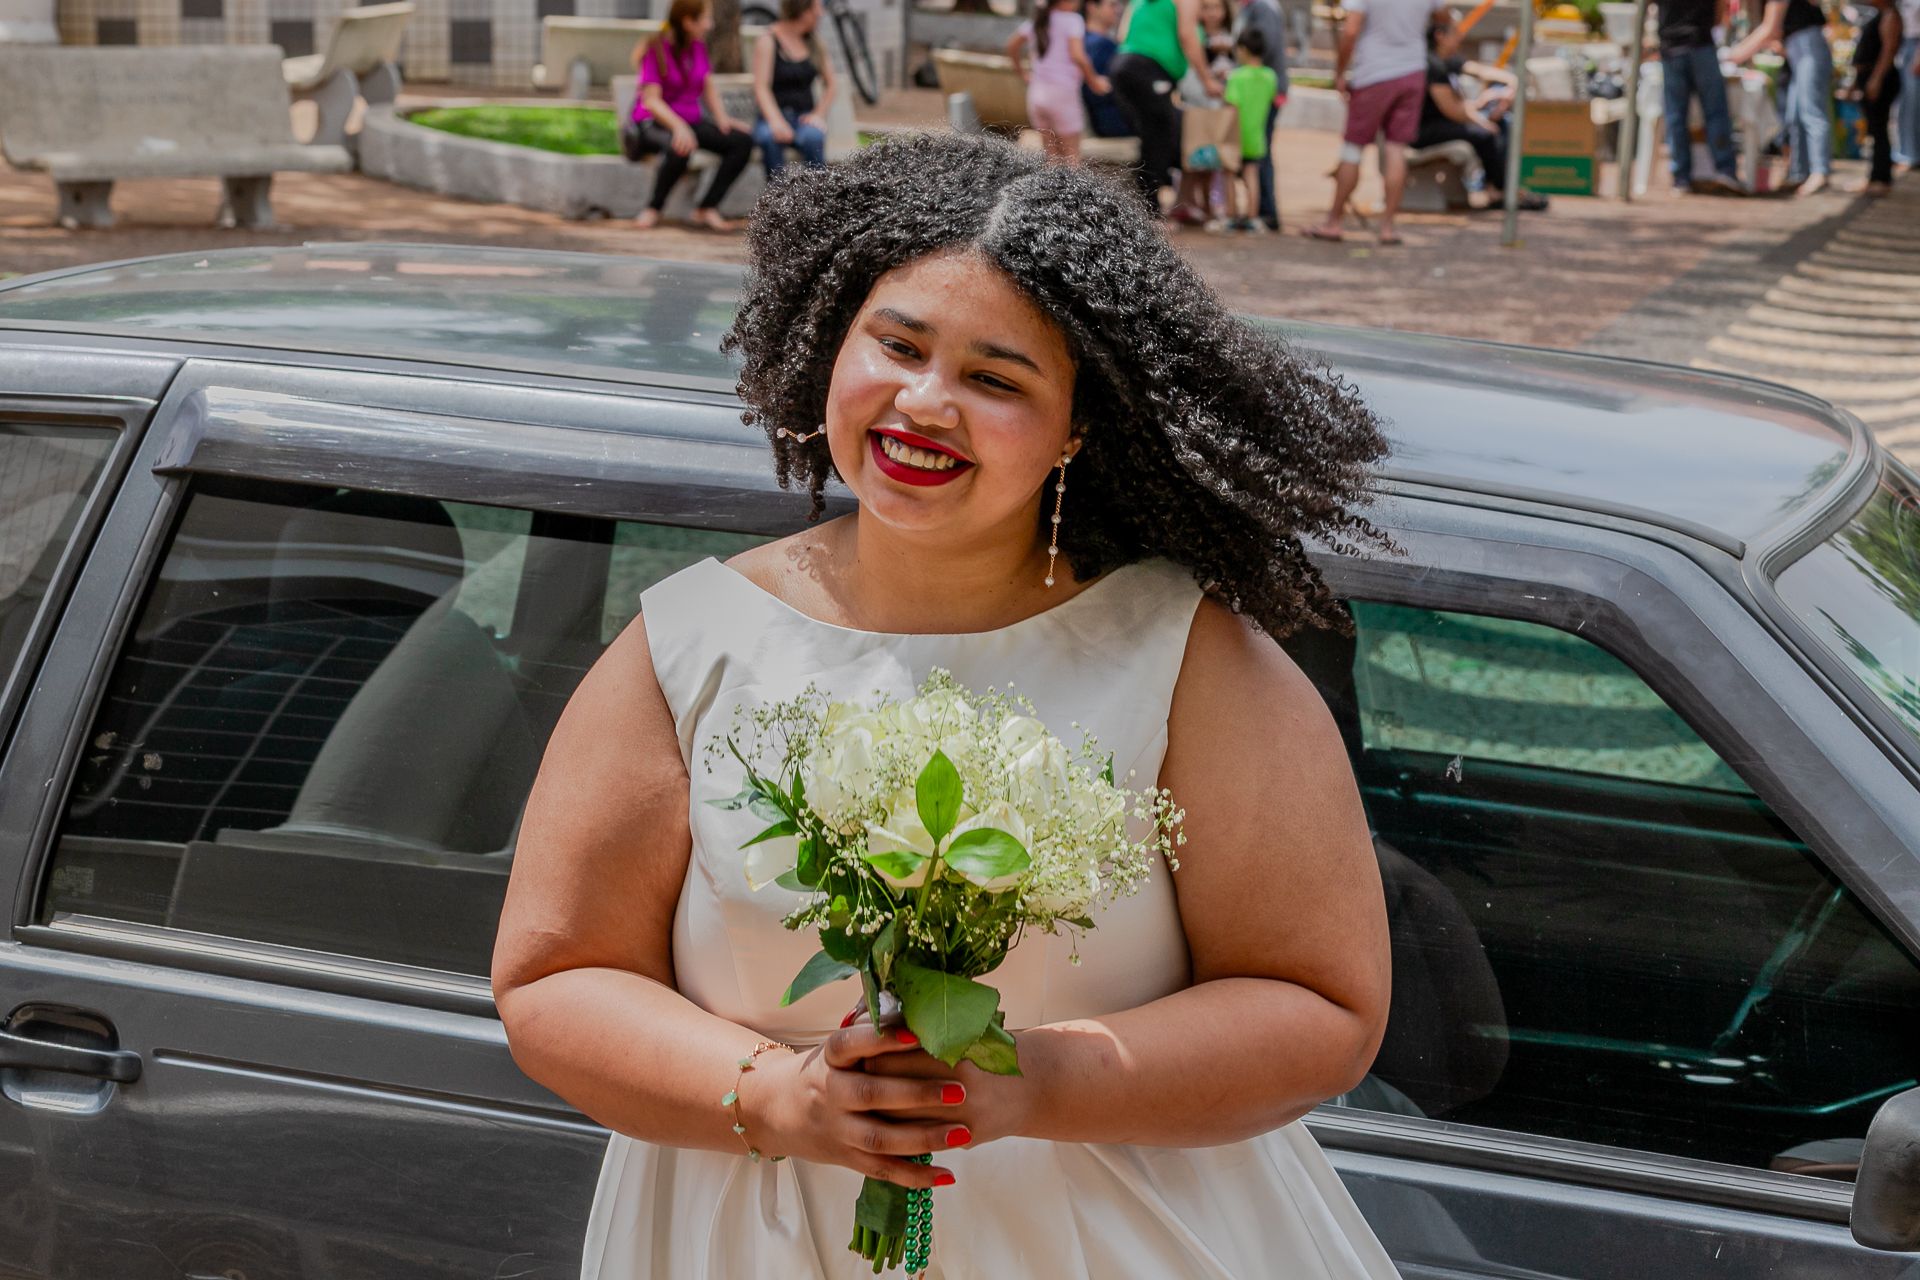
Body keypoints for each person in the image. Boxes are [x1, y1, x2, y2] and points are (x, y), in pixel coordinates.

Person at [493, 131, 1401, 1280]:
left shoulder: (1189, 660)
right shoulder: (687, 645)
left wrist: (1026, 1079)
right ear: (833, 342)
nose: (926, 402)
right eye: (899, 345)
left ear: (1077, 425)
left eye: (995, 378)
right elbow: (553, 978)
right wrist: (780, 1097)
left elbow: (1323, 1004)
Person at [1305, 0, 1452, 245]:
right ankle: (1388, 227)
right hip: (1412, 71)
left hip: (1373, 73)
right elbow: (1444, 15)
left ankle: (1333, 222)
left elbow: (1350, 31)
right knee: (1396, 149)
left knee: (1353, 148)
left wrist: (1339, 72)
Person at [628, 0, 755, 231]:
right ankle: (653, 208)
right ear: (688, 21)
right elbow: (652, 101)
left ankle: (706, 207)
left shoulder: (697, 47)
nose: (710, 24)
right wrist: (678, 126)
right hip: (654, 123)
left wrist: (723, 119)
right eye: (706, 18)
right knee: (681, 145)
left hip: (689, 122)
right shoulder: (655, 49)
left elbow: (707, 87)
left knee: (741, 142)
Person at [1414, 19, 1549, 209]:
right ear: (1440, 36)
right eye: (1455, 32)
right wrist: (1481, 117)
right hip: (1423, 130)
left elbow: (1480, 71)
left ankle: (1501, 187)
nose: (1460, 36)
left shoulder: (1449, 60)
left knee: (1500, 122)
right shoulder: (1432, 65)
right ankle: (1499, 191)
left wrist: (1511, 82)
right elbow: (1452, 110)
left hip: (1446, 122)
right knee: (1485, 134)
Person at [1111, 0, 1221, 212]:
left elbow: (1122, 35)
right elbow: (1187, 35)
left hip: (1123, 66)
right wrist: (1206, 80)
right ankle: (1150, 209)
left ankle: (1147, 204)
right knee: (1160, 136)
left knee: (1154, 133)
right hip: (1148, 69)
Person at [1729, 0, 1834, 195]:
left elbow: (1771, 28)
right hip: (1796, 47)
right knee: (1794, 116)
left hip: (1808, 46)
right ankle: (1799, 172)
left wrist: (1734, 55)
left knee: (1812, 112)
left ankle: (1820, 171)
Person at [1648, 0, 1747, 193]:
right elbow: (1720, 11)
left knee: (1675, 115)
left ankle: (1681, 177)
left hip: (1672, 46)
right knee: (1715, 112)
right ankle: (1724, 169)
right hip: (1700, 43)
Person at [1007, 0, 1113, 162]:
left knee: (1052, 159)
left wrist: (1022, 73)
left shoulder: (1038, 21)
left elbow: (1012, 46)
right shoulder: (1072, 20)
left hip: (1037, 95)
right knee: (1072, 160)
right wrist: (1094, 81)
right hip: (1063, 95)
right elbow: (1078, 56)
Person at [750, 0, 840, 176]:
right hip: (772, 117)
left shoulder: (814, 43)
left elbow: (831, 84)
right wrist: (776, 121)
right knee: (770, 139)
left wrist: (818, 114)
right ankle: (777, 199)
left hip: (803, 118)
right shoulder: (768, 40)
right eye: (817, 8)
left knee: (813, 137)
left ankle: (819, 197)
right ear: (804, 11)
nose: (821, 13)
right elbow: (761, 88)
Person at [1172, 0, 1239, 223]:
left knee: (1212, 158)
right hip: (1197, 102)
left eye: (1216, 7)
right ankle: (1186, 202)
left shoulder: (1230, 36)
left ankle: (1208, 204)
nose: (1211, 13)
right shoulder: (1193, 33)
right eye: (1206, 7)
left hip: (1216, 104)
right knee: (1192, 157)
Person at [1234, 0, 1292, 230]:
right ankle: (1259, 210)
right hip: (1264, 89)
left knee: (1259, 154)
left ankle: (1266, 212)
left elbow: (1263, 44)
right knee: (1259, 152)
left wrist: (1246, 74)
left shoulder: (1262, 8)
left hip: (1261, 92)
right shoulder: (1256, 8)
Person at [1220, 28, 1280, 230]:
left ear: (1242, 49)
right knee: (1251, 176)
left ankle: (1231, 216)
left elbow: (1231, 105)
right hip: (1257, 135)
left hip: (1236, 134)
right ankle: (1253, 218)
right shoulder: (1270, 76)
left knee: (1229, 175)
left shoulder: (1236, 77)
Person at [1849, 0, 1904, 192]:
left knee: (1879, 129)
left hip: (1879, 78)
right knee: (1874, 129)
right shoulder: (1879, 15)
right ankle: (1875, 177)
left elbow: (1888, 51)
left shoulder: (1890, 16)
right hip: (1870, 76)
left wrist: (1876, 79)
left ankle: (1881, 179)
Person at [1081, 0, 1135, 137]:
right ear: (1092, 6)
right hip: (1111, 121)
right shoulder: (1099, 44)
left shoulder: (1080, 40)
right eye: (1112, 5)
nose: (1117, 10)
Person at [1894, 0, 1920, 168]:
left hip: (1915, 45)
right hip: (1906, 44)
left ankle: (1911, 154)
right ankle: (1907, 152)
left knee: (1913, 105)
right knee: (1904, 105)